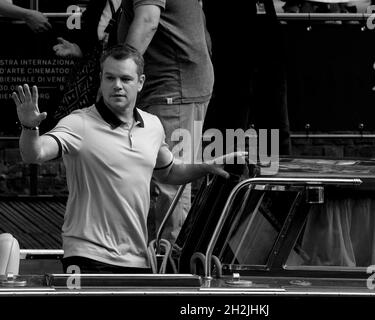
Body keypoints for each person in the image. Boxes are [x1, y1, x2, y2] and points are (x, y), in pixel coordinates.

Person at [12, 44, 238, 274]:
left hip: (137, 260)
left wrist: (206, 167)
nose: (117, 85)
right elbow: (34, 154)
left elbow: (168, 172)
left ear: (140, 82)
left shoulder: (153, 125)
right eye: (110, 78)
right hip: (87, 257)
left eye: (125, 79)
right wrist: (29, 126)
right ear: (101, 79)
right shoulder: (78, 123)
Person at [117, 0, 214, 243]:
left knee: (170, 180)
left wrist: (117, 75)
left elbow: (148, 20)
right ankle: (159, 255)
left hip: (172, 86)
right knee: (164, 177)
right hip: (173, 83)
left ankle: (169, 267)